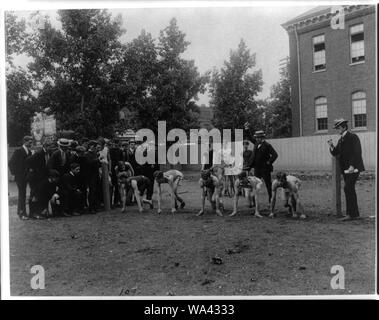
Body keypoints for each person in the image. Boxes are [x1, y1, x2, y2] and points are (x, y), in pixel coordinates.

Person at [328, 118, 365, 221]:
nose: (337, 130)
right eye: (336, 128)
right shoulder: (341, 140)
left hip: (354, 168)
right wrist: (331, 146)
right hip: (346, 170)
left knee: (347, 188)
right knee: (350, 189)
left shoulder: (353, 137)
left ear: (344, 127)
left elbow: (357, 152)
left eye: (338, 128)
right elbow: (336, 153)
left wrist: (352, 165)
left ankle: (350, 214)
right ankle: (355, 214)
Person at [9, 136, 33, 219]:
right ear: (25, 142)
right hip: (20, 177)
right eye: (29, 142)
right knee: (22, 194)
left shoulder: (29, 152)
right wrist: (16, 173)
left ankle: (21, 211)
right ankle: (22, 213)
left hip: (27, 176)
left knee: (24, 194)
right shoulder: (18, 151)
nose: (31, 143)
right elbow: (11, 163)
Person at [27, 141, 52, 218]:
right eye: (48, 146)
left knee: (41, 194)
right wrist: (34, 170)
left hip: (43, 177)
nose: (49, 148)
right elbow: (29, 160)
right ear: (44, 146)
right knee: (34, 194)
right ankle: (32, 213)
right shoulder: (38, 153)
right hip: (36, 178)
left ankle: (41, 211)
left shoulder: (48, 153)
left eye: (50, 146)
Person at [251, 130, 278, 204]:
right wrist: (247, 129)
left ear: (262, 138)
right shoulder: (256, 144)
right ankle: (255, 203)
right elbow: (250, 138)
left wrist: (269, 162)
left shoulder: (267, 145)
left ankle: (271, 201)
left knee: (268, 185)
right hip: (257, 169)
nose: (257, 139)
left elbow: (275, 155)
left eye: (258, 138)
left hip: (265, 169)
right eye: (256, 138)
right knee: (255, 185)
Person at [83, 140, 101, 214]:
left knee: (96, 191)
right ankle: (91, 208)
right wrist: (97, 159)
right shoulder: (86, 154)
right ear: (90, 146)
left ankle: (95, 206)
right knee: (92, 191)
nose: (95, 147)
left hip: (96, 174)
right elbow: (89, 163)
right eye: (94, 146)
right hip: (90, 175)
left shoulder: (95, 154)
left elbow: (97, 164)